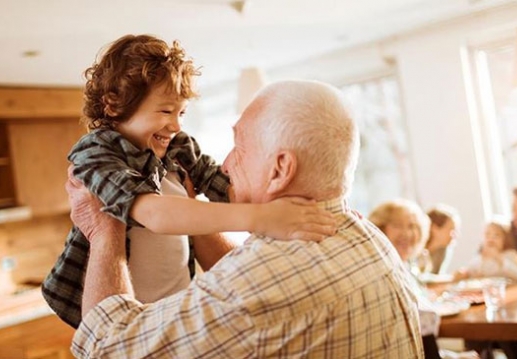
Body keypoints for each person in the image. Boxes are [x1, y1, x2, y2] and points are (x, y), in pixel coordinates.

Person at [68, 80, 424, 358]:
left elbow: (106, 347)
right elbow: (254, 283)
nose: (225, 164)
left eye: (240, 146)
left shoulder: (252, 291)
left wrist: (104, 232)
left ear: (280, 169)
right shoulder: (371, 240)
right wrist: (191, 211)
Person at [42, 35, 336, 329]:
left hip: (174, 307)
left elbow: (228, 186)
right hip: (125, 316)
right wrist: (264, 218)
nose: (177, 124)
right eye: (165, 111)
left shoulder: (177, 146)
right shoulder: (95, 154)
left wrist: (309, 205)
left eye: (181, 112)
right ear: (114, 104)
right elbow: (152, 213)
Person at [369, 199, 443, 359]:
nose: (407, 233)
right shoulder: (384, 270)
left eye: (412, 226)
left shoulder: (405, 266)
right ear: (381, 229)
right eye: (397, 225)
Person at [453, 219, 517, 281]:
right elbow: (471, 269)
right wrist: (464, 273)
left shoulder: (510, 254)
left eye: (497, 235)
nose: (491, 239)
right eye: (487, 235)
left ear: (505, 239)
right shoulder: (481, 257)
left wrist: (498, 258)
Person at [425, 204, 461, 274]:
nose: (455, 236)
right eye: (451, 230)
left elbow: (436, 279)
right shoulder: (415, 250)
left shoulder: (443, 251)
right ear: (434, 228)